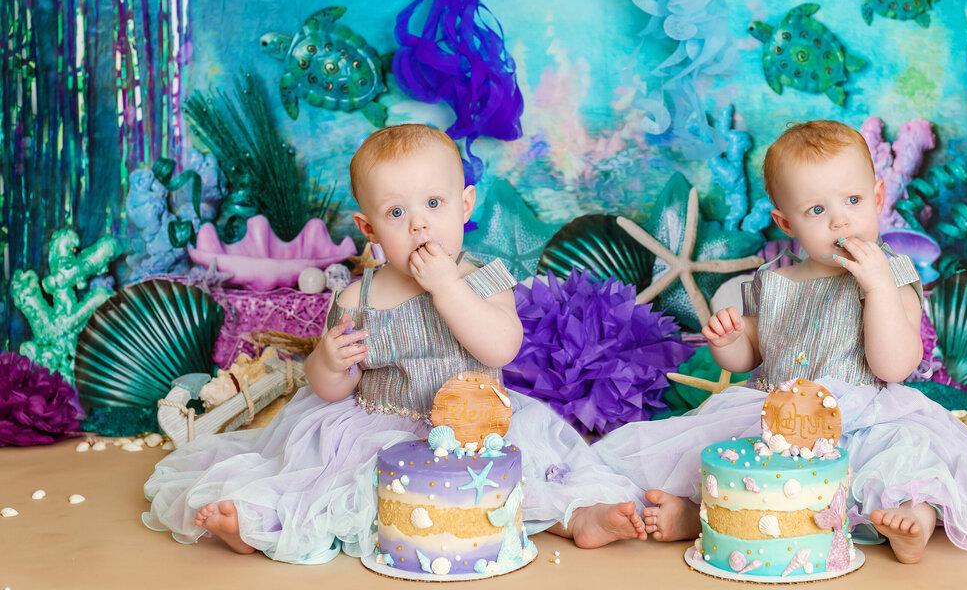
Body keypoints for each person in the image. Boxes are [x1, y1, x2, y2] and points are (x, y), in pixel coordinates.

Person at [143, 124, 647, 563]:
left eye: (433, 204)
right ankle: (255, 523)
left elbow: (500, 348)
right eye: (397, 212)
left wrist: (448, 287)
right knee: (330, 487)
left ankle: (580, 518)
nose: (420, 224)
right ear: (370, 228)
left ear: (464, 205)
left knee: (521, 479)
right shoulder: (357, 296)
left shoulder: (484, 278)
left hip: (478, 426)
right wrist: (328, 361)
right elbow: (330, 390)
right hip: (380, 429)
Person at [590, 119, 967, 563]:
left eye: (852, 201)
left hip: (866, 420)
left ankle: (914, 520)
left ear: (878, 195)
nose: (840, 221)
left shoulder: (891, 273)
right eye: (816, 209)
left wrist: (876, 289)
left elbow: (894, 365)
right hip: (778, 419)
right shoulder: (772, 281)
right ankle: (700, 516)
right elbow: (752, 357)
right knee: (734, 463)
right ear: (787, 223)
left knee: (906, 460)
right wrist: (730, 338)